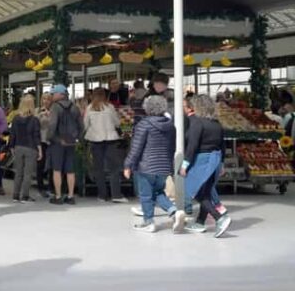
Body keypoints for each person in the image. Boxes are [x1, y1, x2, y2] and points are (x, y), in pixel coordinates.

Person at [123, 95, 186, 233]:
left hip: (146, 166)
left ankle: (149, 222)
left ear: (147, 108)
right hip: (163, 167)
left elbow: (136, 148)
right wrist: (169, 166)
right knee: (158, 192)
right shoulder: (170, 126)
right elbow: (172, 148)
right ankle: (175, 212)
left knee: (145, 195)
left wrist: (128, 165)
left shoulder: (143, 124)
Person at [181, 95, 232, 237]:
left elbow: (193, 146)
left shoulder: (198, 123)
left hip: (201, 159)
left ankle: (219, 218)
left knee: (196, 191)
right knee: (207, 191)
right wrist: (221, 163)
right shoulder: (217, 124)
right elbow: (223, 146)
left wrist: (185, 165)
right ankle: (200, 222)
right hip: (215, 159)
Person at [84, 88, 126, 203]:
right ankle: (116, 195)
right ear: (105, 95)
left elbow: (85, 125)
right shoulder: (110, 107)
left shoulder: (89, 108)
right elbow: (117, 122)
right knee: (113, 169)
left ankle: (102, 195)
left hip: (95, 140)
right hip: (110, 140)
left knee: (99, 169)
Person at [47, 84, 83, 205]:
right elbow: (81, 126)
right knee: (70, 170)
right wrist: (78, 139)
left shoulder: (55, 107)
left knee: (57, 170)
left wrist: (50, 138)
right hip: (71, 142)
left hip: (58, 142)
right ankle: (71, 196)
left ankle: (58, 196)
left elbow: (52, 125)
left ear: (61, 94)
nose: (52, 96)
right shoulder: (75, 107)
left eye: (53, 94)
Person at [8, 94, 42, 202]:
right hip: (31, 148)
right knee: (28, 174)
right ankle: (25, 196)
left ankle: (15, 195)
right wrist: (40, 150)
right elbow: (36, 136)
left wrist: (12, 147)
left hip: (18, 147)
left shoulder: (16, 118)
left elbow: (12, 134)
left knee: (18, 172)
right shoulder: (34, 120)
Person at [36, 92, 53, 197]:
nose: (45, 101)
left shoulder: (54, 111)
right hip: (41, 140)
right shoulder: (37, 111)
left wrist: (50, 117)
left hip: (51, 140)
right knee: (40, 164)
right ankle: (40, 186)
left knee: (51, 164)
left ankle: (51, 186)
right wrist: (40, 115)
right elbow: (33, 124)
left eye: (48, 99)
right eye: (44, 99)